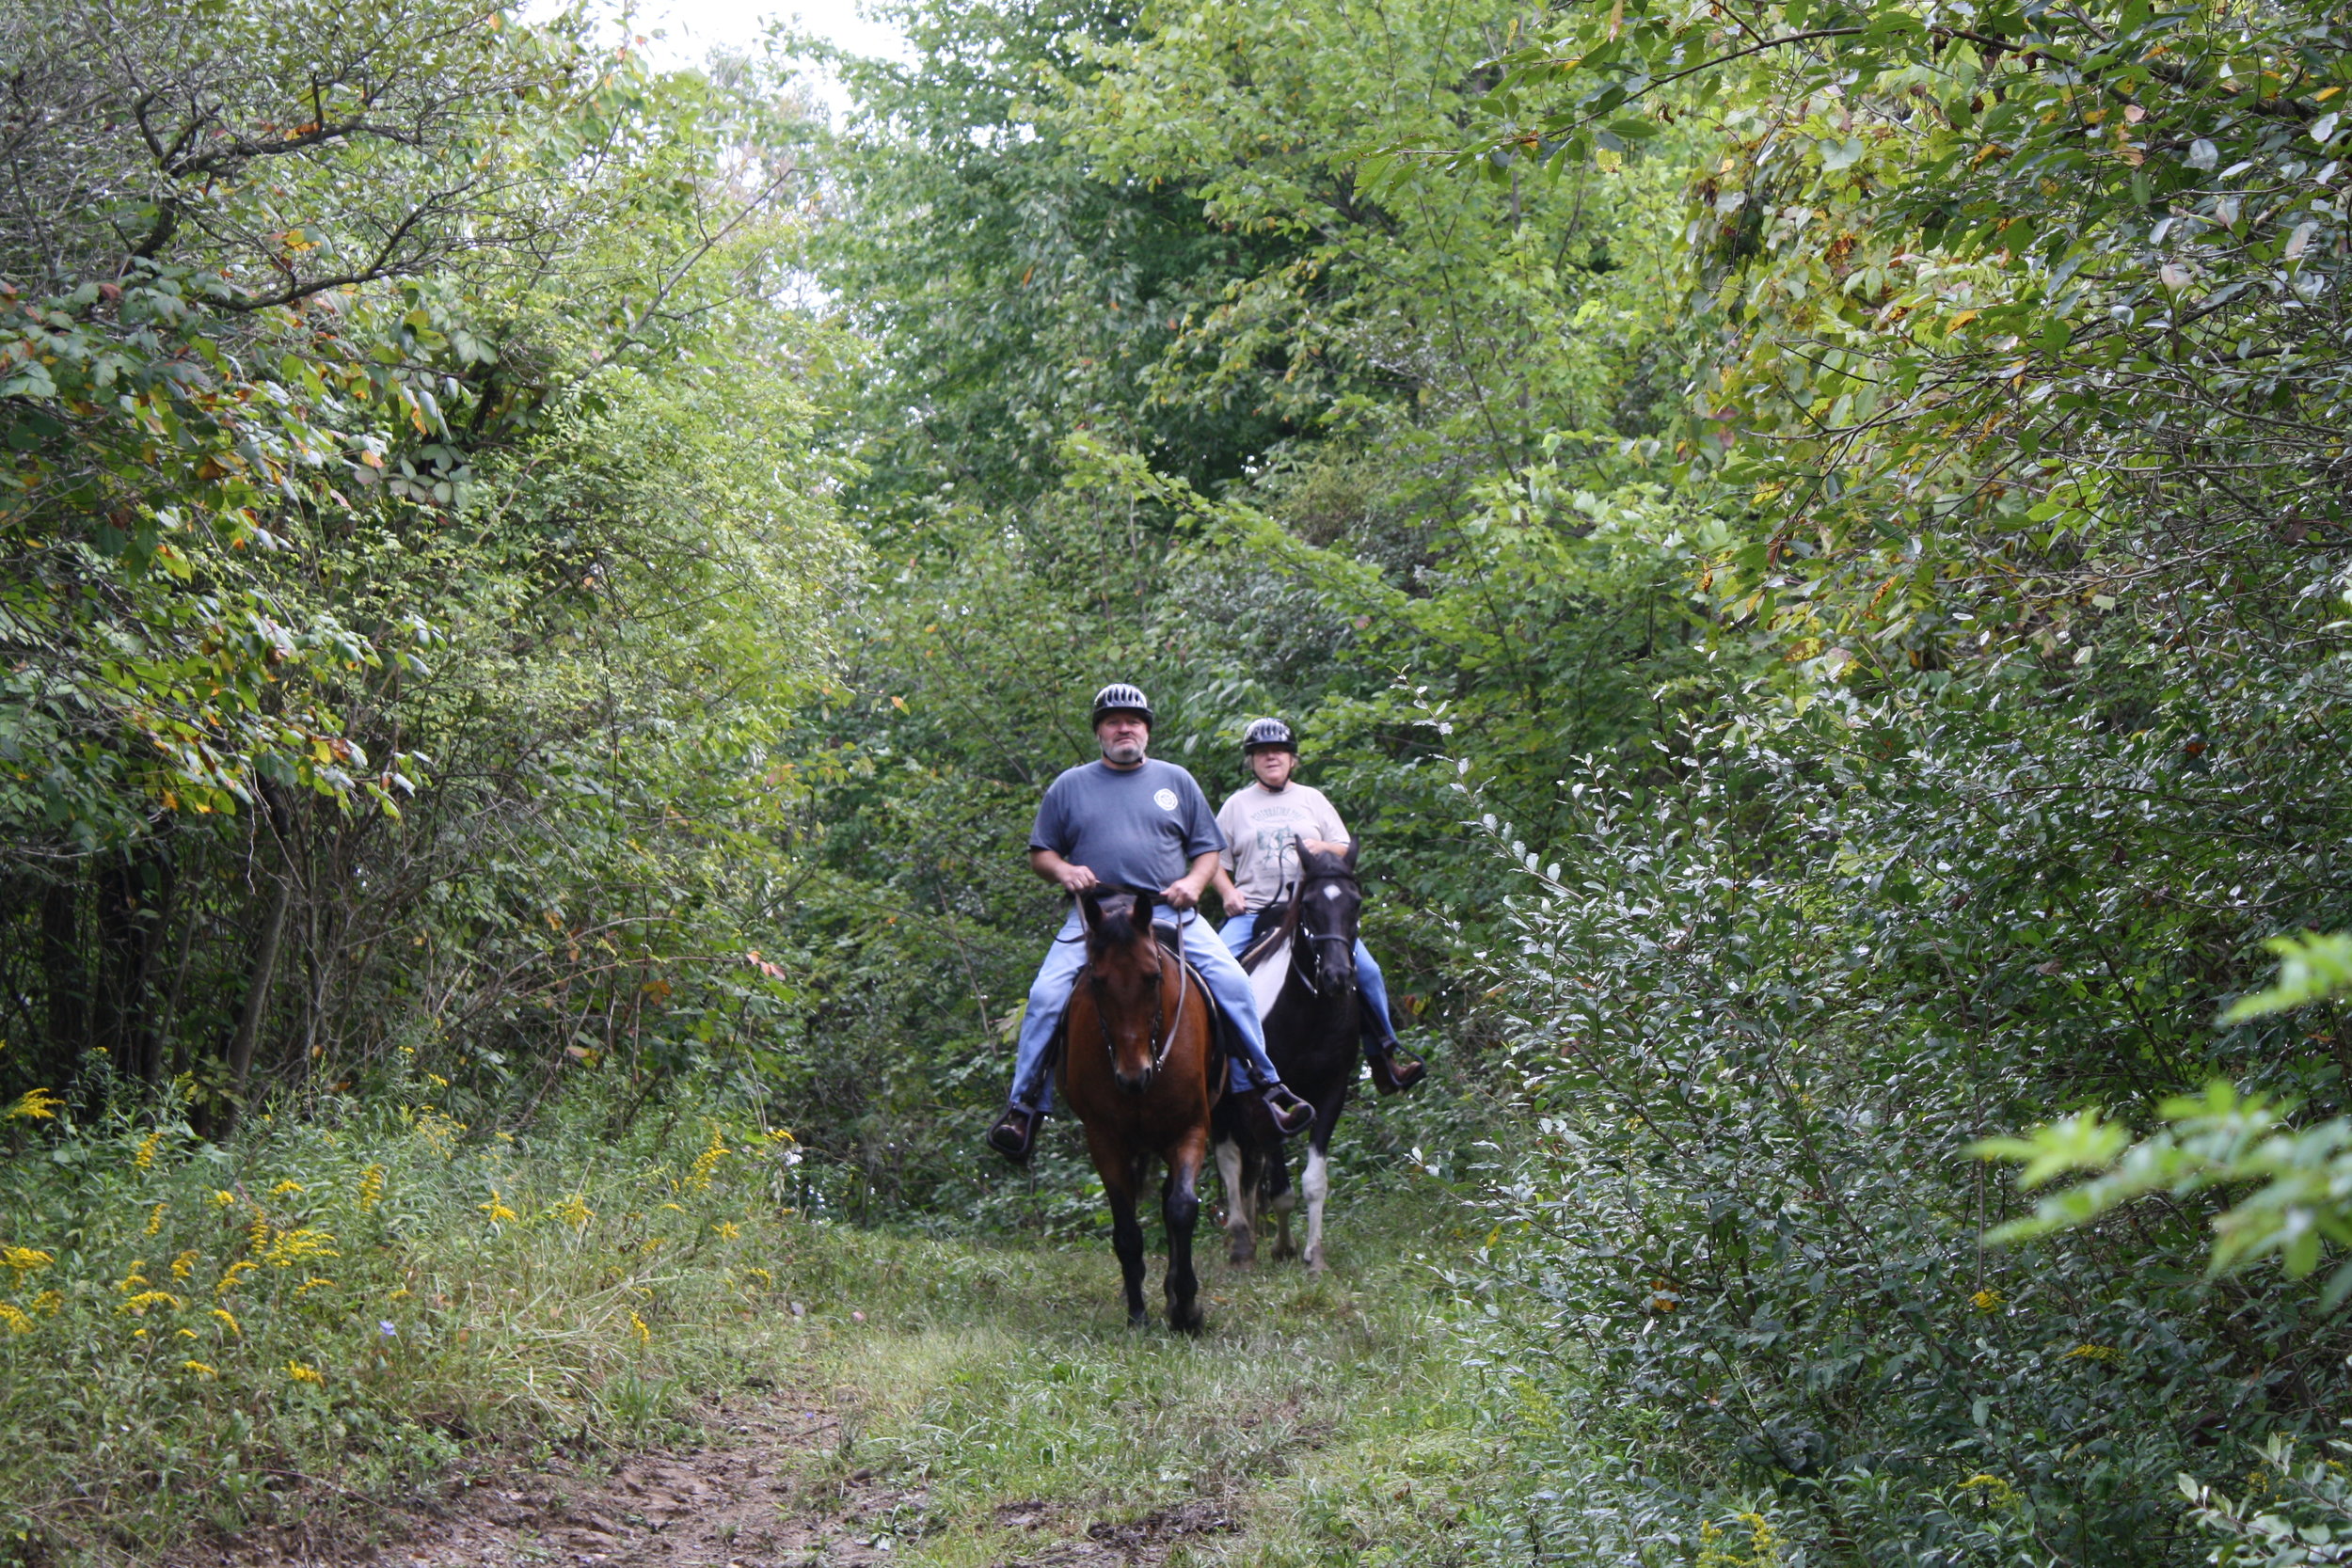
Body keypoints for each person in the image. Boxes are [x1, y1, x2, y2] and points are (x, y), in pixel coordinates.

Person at [986, 685, 1317, 1163]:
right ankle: (1024, 1109)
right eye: (1114, 721)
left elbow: (1207, 851)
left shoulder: (1176, 780)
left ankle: (1266, 1087)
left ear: (1146, 730)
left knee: (1232, 983)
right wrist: (1064, 870)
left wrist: (1194, 883)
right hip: (1096, 916)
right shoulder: (1070, 785)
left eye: (1134, 721)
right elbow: (1042, 853)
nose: (1125, 728)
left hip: (1168, 910)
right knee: (1044, 998)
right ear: (1099, 730)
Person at [1208, 718, 1429, 1096]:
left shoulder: (1312, 799)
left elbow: (1343, 849)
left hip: (1310, 913)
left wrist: (1314, 849)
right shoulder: (1236, 806)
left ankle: (1385, 1058)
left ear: (1292, 759)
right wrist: (1228, 893)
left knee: (1370, 971)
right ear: (1252, 761)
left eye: (1278, 751)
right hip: (1254, 911)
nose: (1271, 757)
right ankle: (1215, 1068)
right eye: (1261, 752)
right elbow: (1213, 861)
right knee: (1212, 976)